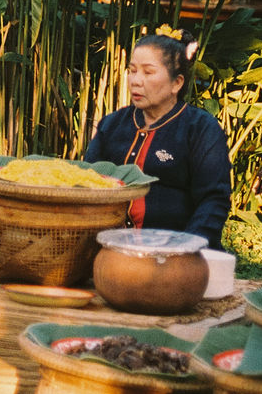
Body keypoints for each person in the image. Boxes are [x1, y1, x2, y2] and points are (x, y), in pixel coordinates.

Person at [84, 25, 231, 249]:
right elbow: (86, 182)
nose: (136, 80)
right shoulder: (112, 124)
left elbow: (213, 200)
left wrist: (186, 249)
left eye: (148, 72)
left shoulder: (201, 129)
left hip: (176, 252)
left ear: (176, 83)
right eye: (133, 70)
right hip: (109, 248)